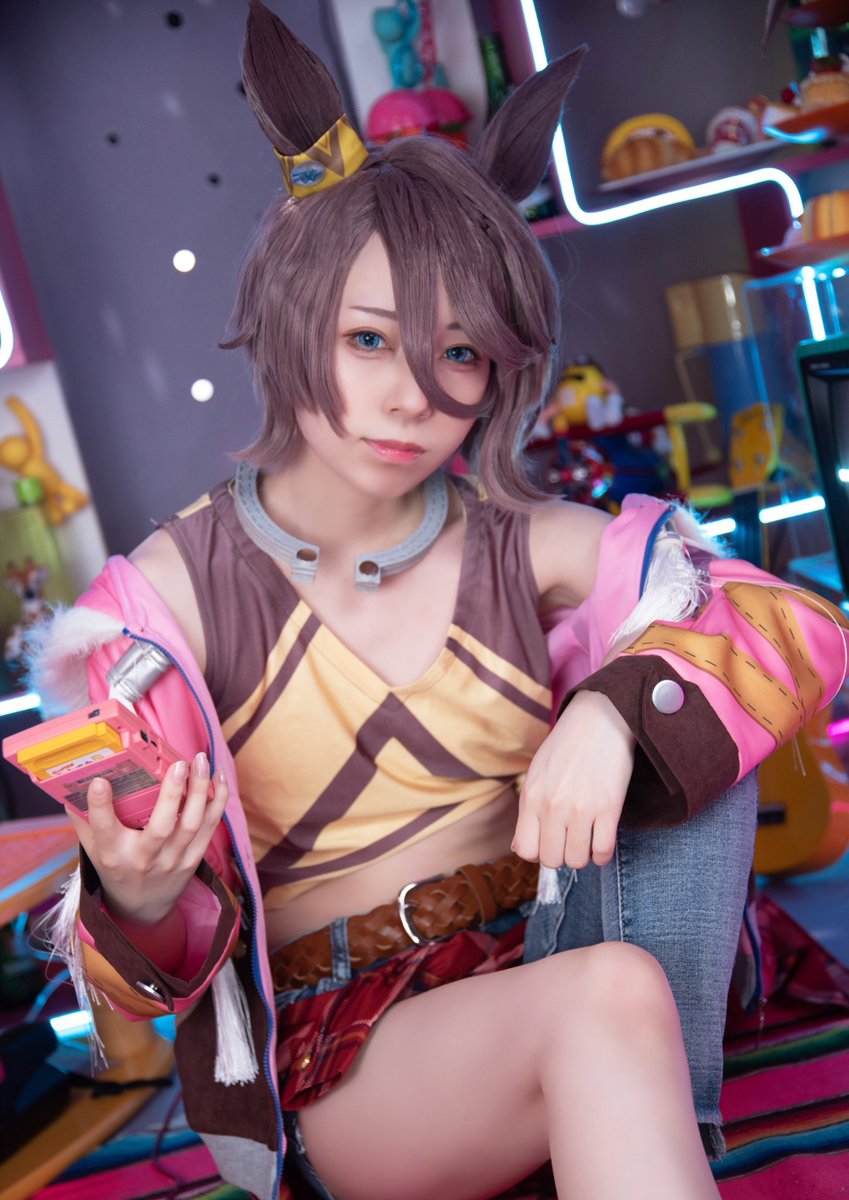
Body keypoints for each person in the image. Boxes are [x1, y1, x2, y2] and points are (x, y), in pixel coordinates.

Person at [28, 4, 849, 1199]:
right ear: (297, 319)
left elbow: (802, 628)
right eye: (371, 340)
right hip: (352, 1046)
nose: (414, 394)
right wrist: (139, 896)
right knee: (611, 995)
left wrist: (615, 708)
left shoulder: (533, 546)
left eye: (458, 353)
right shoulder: (166, 604)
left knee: (670, 757)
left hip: (567, 953)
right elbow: (140, 986)